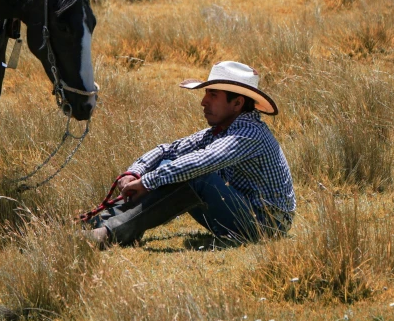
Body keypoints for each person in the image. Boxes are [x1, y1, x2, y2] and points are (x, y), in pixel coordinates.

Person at [85, 61, 296, 248]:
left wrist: (148, 181)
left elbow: (202, 162)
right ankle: (103, 222)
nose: (204, 102)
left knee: (195, 173)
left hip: (266, 225)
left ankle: (112, 232)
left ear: (238, 103)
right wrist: (134, 172)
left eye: (213, 95)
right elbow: (169, 150)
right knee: (173, 164)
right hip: (245, 214)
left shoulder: (250, 133)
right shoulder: (223, 129)